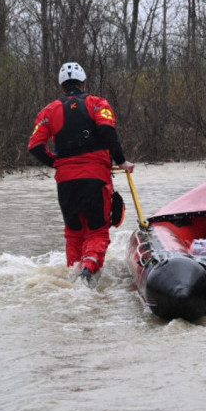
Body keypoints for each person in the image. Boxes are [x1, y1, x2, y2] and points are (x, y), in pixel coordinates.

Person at [28, 61, 135, 284]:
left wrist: (57, 163)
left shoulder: (48, 111)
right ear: (84, 82)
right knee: (97, 231)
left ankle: (73, 275)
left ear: (61, 87)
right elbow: (107, 130)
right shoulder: (97, 103)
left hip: (65, 182)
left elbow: (35, 147)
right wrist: (122, 161)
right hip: (95, 177)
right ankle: (88, 270)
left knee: (74, 233)